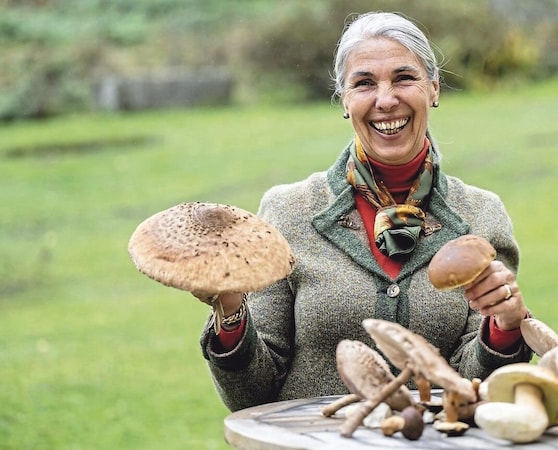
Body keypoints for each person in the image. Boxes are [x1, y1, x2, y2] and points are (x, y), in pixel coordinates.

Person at [199, 11, 533, 412]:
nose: (386, 100)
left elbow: (477, 387)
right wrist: (231, 313)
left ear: (434, 88)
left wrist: (503, 328)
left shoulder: (481, 215)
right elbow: (249, 396)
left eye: (404, 78)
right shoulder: (287, 212)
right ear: (344, 100)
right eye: (364, 83)